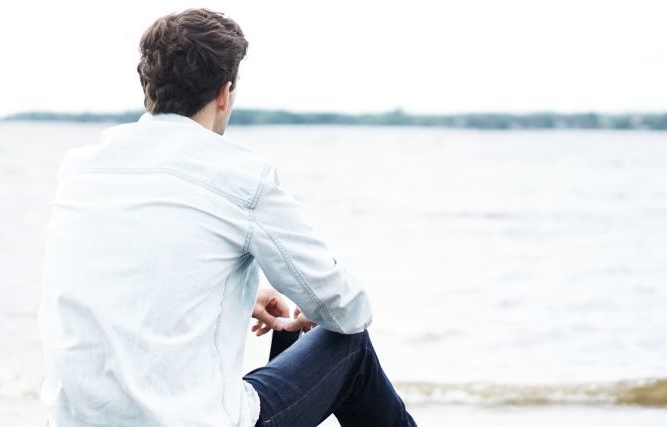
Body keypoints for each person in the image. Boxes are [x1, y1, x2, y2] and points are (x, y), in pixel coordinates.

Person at [38, 8, 418, 427]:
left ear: (149, 88)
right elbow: (346, 308)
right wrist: (318, 306)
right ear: (225, 92)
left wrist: (238, 296)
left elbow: (126, 277)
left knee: (287, 334)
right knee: (350, 347)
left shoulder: (81, 169)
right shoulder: (240, 177)